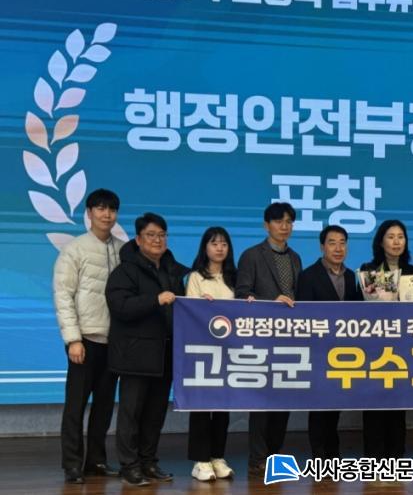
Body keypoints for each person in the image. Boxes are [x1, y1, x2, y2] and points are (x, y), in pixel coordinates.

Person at [105, 212, 189, 486]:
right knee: (131, 413)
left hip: (165, 354)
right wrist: (155, 299)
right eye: (151, 235)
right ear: (138, 240)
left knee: (155, 414)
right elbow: (120, 307)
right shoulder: (125, 271)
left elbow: (184, 307)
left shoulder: (172, 271)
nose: (157, 240)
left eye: (162, 235)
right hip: (135, 355)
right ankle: (129, 466)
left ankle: (148, 461)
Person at [53, 189, 124, 484]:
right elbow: (63, 296)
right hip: (84, 340)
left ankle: (96, 460)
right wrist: (73, 339)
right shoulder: (75, 249)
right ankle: (72, 464)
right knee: (76, 406)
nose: (107, 214)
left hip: (114, 342)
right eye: (101, 208)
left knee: (104, 406)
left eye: (112, 209)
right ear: (89, 212)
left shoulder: (124, 250)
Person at [235, 202, 302, 473]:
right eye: (278, 221)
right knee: (261, 402)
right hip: (261, 337)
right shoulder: (251, 255)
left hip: (288, 339)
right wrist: (270, 303)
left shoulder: (295, 257)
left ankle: (275, 455)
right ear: (266, 225)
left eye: (288, 222)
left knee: (283, 401)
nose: (284, 226)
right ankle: (257, 459)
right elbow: (242, 295)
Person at [297, 225, 362, 460]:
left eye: (342, 243)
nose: (338, 248)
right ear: (322, 246)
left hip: (343, 351)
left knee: (335, 404)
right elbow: (303, 317)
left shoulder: (352, 277)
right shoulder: (308, 276)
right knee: (318, 406)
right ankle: (319, 454)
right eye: (332, 243)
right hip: (318, 351)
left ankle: (333, 453)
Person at [359, 220, 413, 460]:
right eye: (390, 237)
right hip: (376, 346)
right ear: (381, 242)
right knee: (374, 402)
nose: (396, 242)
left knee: (398, 403)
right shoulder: (370, 269)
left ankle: (396, 454)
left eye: (400, 236)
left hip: (403, 345)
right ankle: (374, 455)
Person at [185, 227, 237, 482]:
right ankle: (200, 460)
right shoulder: (196, 277)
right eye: (214, 243)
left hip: (229, 351)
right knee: (202, 406)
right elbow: (189, 311)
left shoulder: (235, 278)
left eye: (224, 244)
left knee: (223, 407)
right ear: (205, 247)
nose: (219, 248)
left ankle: (217, 456)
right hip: (203, 351)